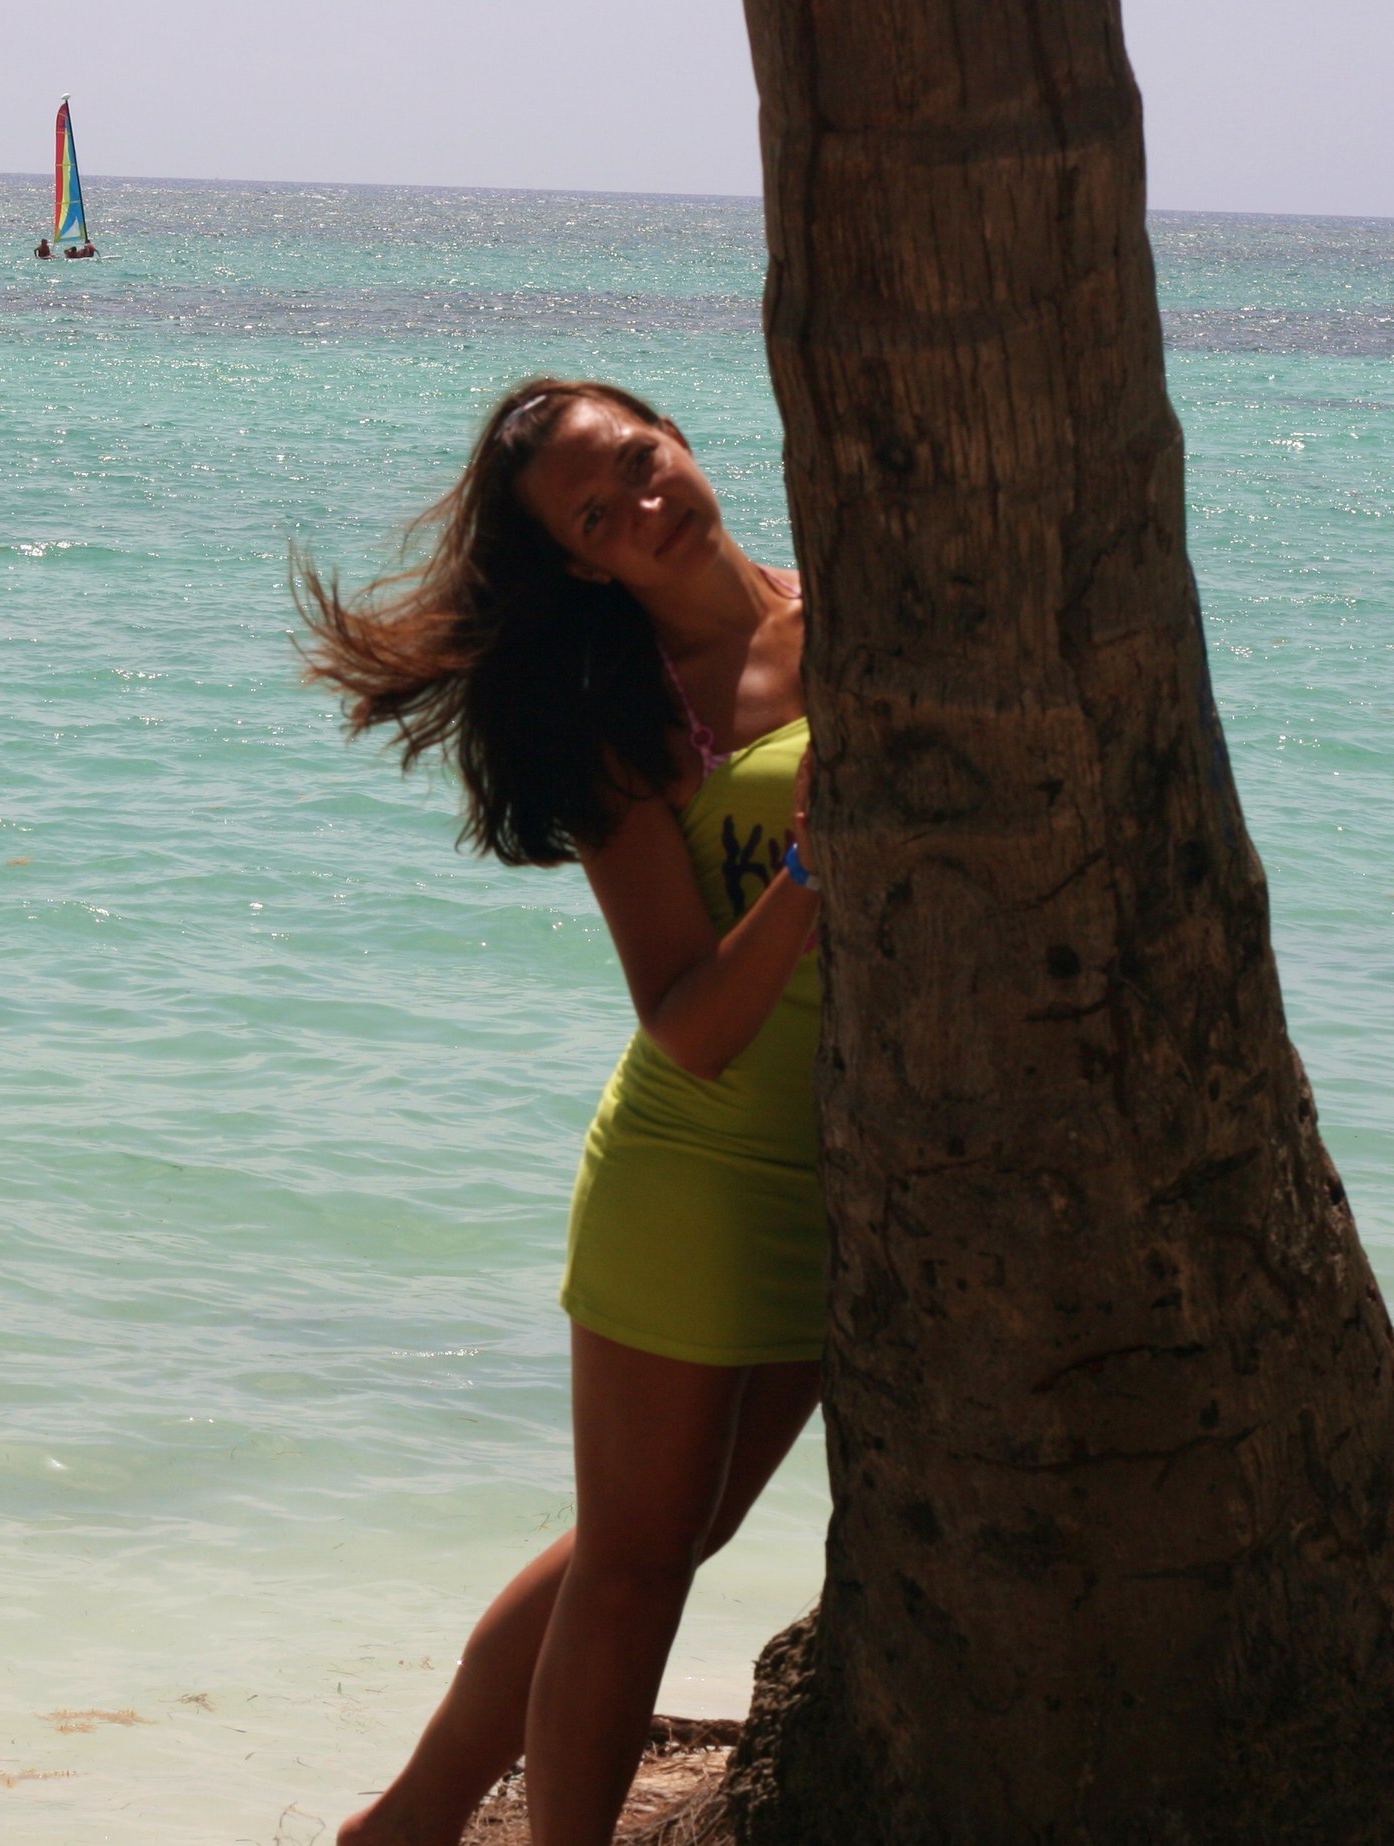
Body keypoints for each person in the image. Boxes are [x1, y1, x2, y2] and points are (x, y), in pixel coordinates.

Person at [298, 378, 824, 1846]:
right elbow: (686, 1023)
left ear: (680, 438)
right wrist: (808, 874)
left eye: (643, 464)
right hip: (698, 1173)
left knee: (667, 1537)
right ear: (584, 565)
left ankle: (406, 1826)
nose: (646, 508)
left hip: (851, 1169)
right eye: (600, 516)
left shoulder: (864, 604)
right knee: (640, 1562)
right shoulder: (624, 721)